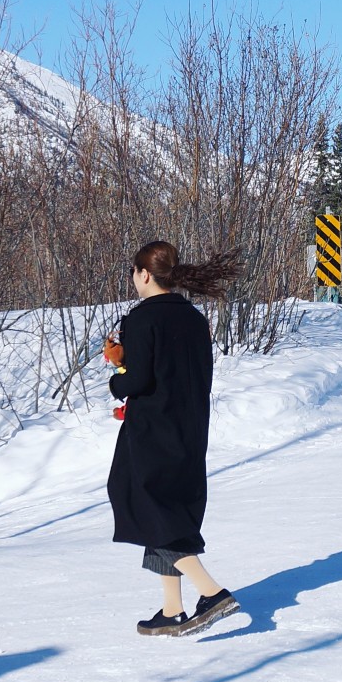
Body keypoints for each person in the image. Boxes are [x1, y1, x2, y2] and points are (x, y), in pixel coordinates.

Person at [106, 240, 243, 637]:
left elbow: (139, 379)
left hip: (152, 429)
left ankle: (211, 591)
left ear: (144, 274)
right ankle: (172, 609)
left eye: (133, 272)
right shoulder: (194, 318)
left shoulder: (143, 319)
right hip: (190, 427)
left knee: (142, 501)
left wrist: (118, 372)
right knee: (170, 509)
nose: (133, 279)